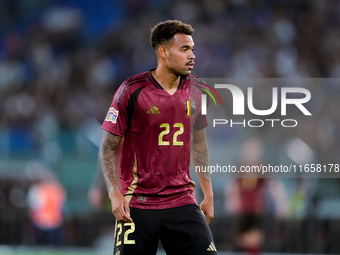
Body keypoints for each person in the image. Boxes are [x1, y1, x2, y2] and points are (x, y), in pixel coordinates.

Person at [98, 20, 217, 255]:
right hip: (137, 204)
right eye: (184, 49)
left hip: (182, 201)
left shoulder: (196, 91)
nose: (192, 55)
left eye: (192, 49)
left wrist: (208, 193)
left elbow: (200, 142)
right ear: (163, 52)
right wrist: (114, 193)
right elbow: (107, 147)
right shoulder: (131, 90)